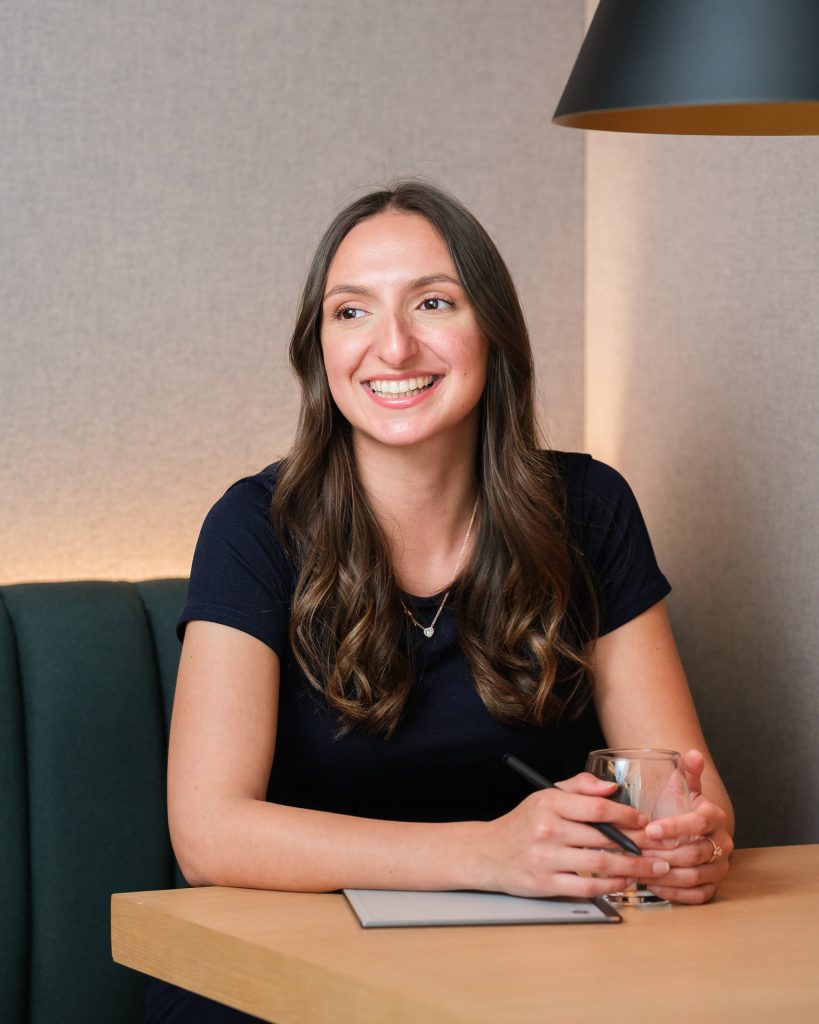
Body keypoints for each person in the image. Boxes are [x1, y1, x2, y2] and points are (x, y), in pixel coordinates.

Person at [146, 181, 733, 1023]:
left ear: (492, 330)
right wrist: (490, 853)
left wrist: (690, 848)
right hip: (283, 969)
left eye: (431, 302)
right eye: (351, 313)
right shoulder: (254, 525)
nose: (392, 345)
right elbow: (207, 834)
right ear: (319, 353)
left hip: (536, 965)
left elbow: (680, 792)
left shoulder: (590, 507)